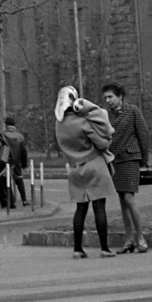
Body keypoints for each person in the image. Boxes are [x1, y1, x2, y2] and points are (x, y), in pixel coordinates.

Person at [53, 86, 114, 258]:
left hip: (74, 167)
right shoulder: (83, 121)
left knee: (80, 208)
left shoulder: (59, 124)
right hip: (93, 164)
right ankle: (104, 248)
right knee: (99, 206)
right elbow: (102, 144)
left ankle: (78, 249)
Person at [101, 82, 150, 254]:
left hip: (130, 158)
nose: (108, 101)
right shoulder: (106, 115)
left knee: (129, 198)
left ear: (120, 96)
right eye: (106, 98)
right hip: (115, 161)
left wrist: (144, 158)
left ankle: (141, 238)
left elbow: (143, 134)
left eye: (111, 97)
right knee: (122, 200)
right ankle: (129, 239)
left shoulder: (133, 111)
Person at [2, 116, 30, 204]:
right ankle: (24, 199)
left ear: (6, 125)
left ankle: (11, 201)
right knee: (19, 181)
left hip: (6, 162)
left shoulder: (3, 135)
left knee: (7, 182)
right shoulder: (20, 136)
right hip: (17, 162)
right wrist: (24, 164)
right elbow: (24, 151)